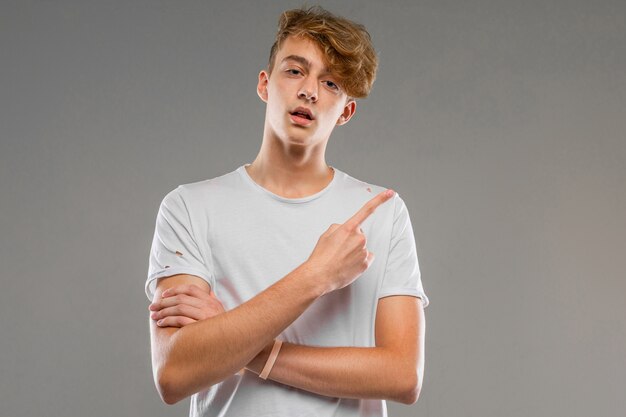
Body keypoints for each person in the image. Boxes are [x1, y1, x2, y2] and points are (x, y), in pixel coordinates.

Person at [145, 5, 429, 416]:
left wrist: (240, 345)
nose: (309, 91)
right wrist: (317, 276)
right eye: (295, 71)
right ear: (265, 84)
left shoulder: (380, 211)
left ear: (346, 111)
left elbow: (402, 376)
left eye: (331, 83)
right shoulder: (189, 207)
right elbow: (174, 373)